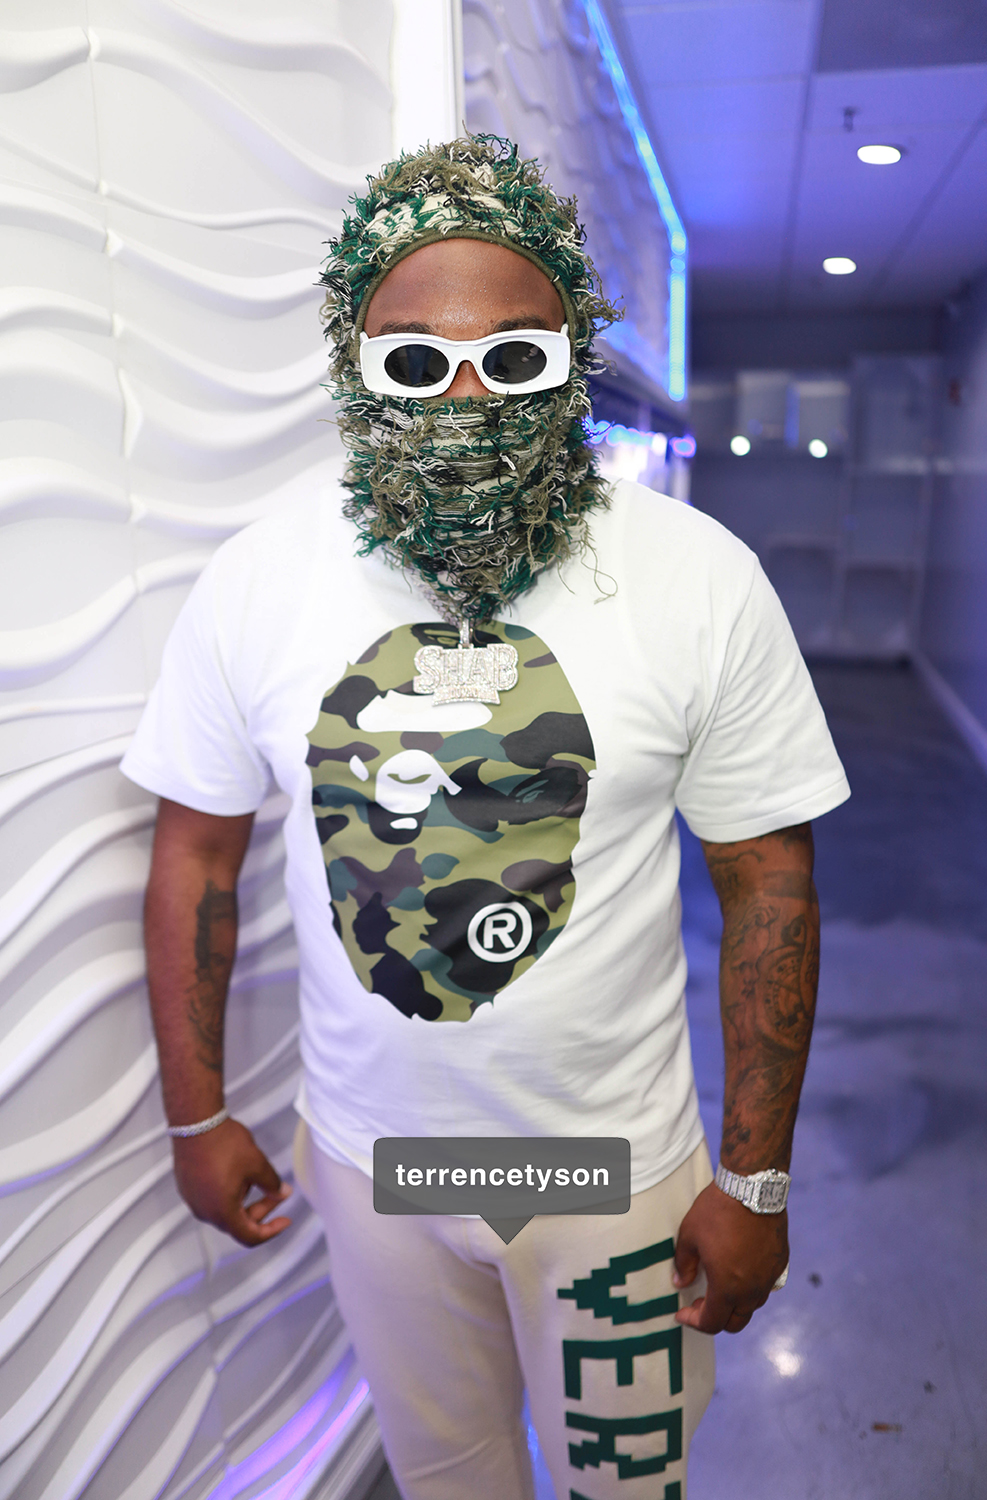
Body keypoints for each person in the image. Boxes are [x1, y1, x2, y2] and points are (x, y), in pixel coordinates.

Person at [122, 135, 850, 1500]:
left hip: (611, 1175)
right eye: (416, 360)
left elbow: (767, 879)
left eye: (513, 357)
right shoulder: (260, 580)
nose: (464, 397)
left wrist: (754, 1182)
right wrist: (194, 1115)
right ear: (356, 366)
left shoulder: (696, 578)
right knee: (446, 1471)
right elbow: (197, 853)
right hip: (378, 1168)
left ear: (572, 363)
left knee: (626, 1484)